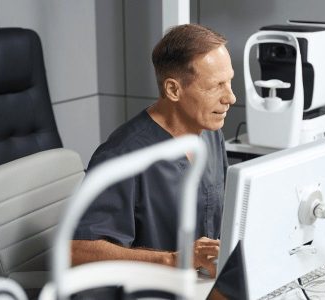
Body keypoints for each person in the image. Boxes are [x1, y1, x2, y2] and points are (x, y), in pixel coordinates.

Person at [71, 24, 236, 278]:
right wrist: (173, 260)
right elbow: (78, 251)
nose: (231, 97)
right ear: (173, 90)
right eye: (216, 85)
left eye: (229, 82)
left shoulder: (211, 134)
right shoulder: (123, 155)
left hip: (200, 286)